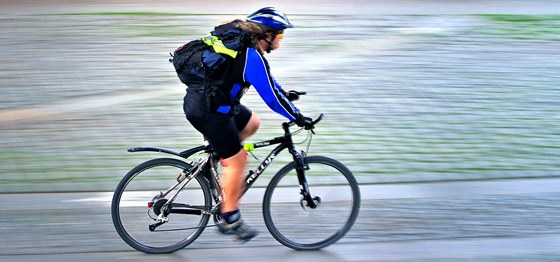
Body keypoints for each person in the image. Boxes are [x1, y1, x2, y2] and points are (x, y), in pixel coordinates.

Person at [180, 7, 314, 242]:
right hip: (210, 111)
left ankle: (217, 159)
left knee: (252, 122)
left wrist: (285, 93)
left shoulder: (248, 50)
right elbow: (271, 99)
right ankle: (230, 217)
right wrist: (298, 117)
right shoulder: (249, 56)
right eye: (280, 35)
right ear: (267, 35)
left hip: (212, 103)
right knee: (238, 160)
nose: (281, 40)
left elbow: (269, 82)